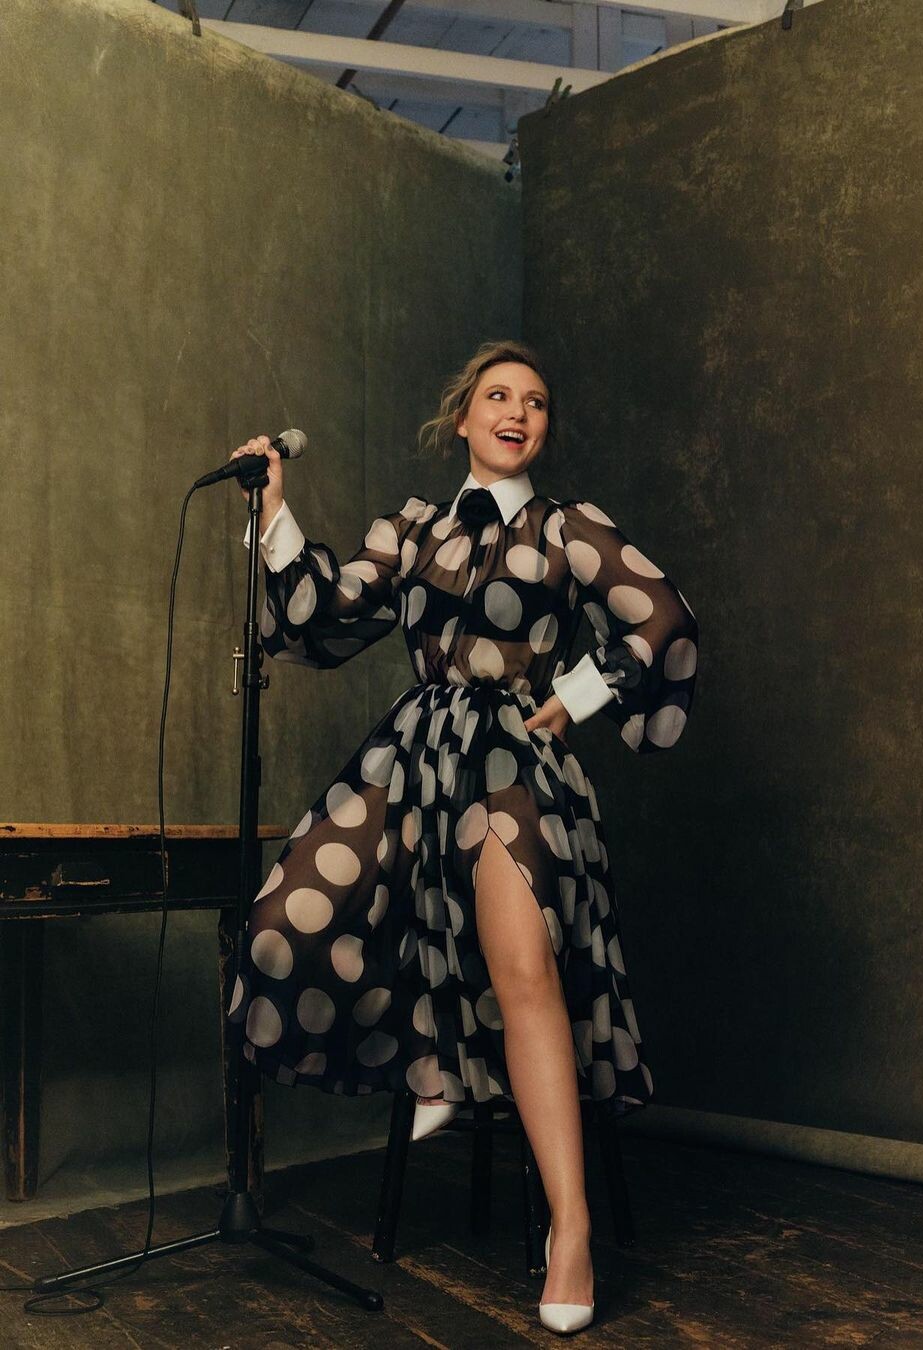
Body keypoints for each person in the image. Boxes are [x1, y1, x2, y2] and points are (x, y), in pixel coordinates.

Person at [227, 339, 699, 1333]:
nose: (516, 411)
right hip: (414, 758)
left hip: (511, 763)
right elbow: (323, 618)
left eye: (535, 402)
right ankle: (432, 1051)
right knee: (280, 922)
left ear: (543, 429)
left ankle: (570, 1229)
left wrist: (579, 694)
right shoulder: (412, 528)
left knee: (524, 969)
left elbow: (662, 615)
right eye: (498, 395)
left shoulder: (566, 527)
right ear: (462, 418)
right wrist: (273, 511)